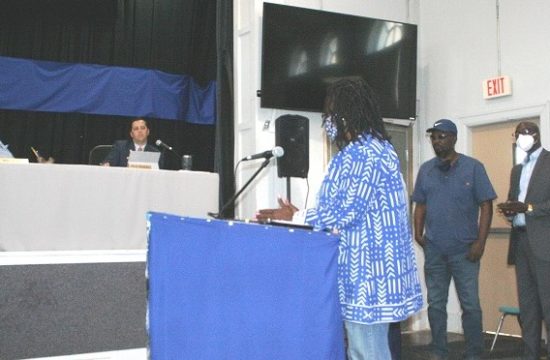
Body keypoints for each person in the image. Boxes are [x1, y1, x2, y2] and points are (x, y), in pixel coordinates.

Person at [256, 78, 423, 360]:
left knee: (367, 351)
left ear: (346, 114)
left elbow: (346, 212)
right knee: (364, 350)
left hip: (369, 276)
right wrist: (301, 215)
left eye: (329, 113)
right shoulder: (370, 150)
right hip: (368, 273)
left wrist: (296, 216)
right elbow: (345, 207)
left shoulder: (364, 153)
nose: (327, 121)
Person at [412, 119, 496, 360]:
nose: (437, 141)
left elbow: (486, 205)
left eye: (442, 136)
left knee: (470, 305)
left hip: (465, 250)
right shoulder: (426, 169)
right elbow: (420, 204)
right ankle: (438, 351)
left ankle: (474, 353)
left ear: (454, 138)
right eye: (434, 137)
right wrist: (418, 234)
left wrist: (481, 242)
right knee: (436, 304)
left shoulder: (473, 167)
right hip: (435, 249)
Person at [497, 121, 550, 360]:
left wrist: (527, 207)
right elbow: (513, 200)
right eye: (518, 134)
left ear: (537, 135)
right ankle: (531, 355)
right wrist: (510, 210)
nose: (522, 137)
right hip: (520, 242)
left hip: (544, 245)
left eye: (526, 132)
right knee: (528, 309)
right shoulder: (517, 169)